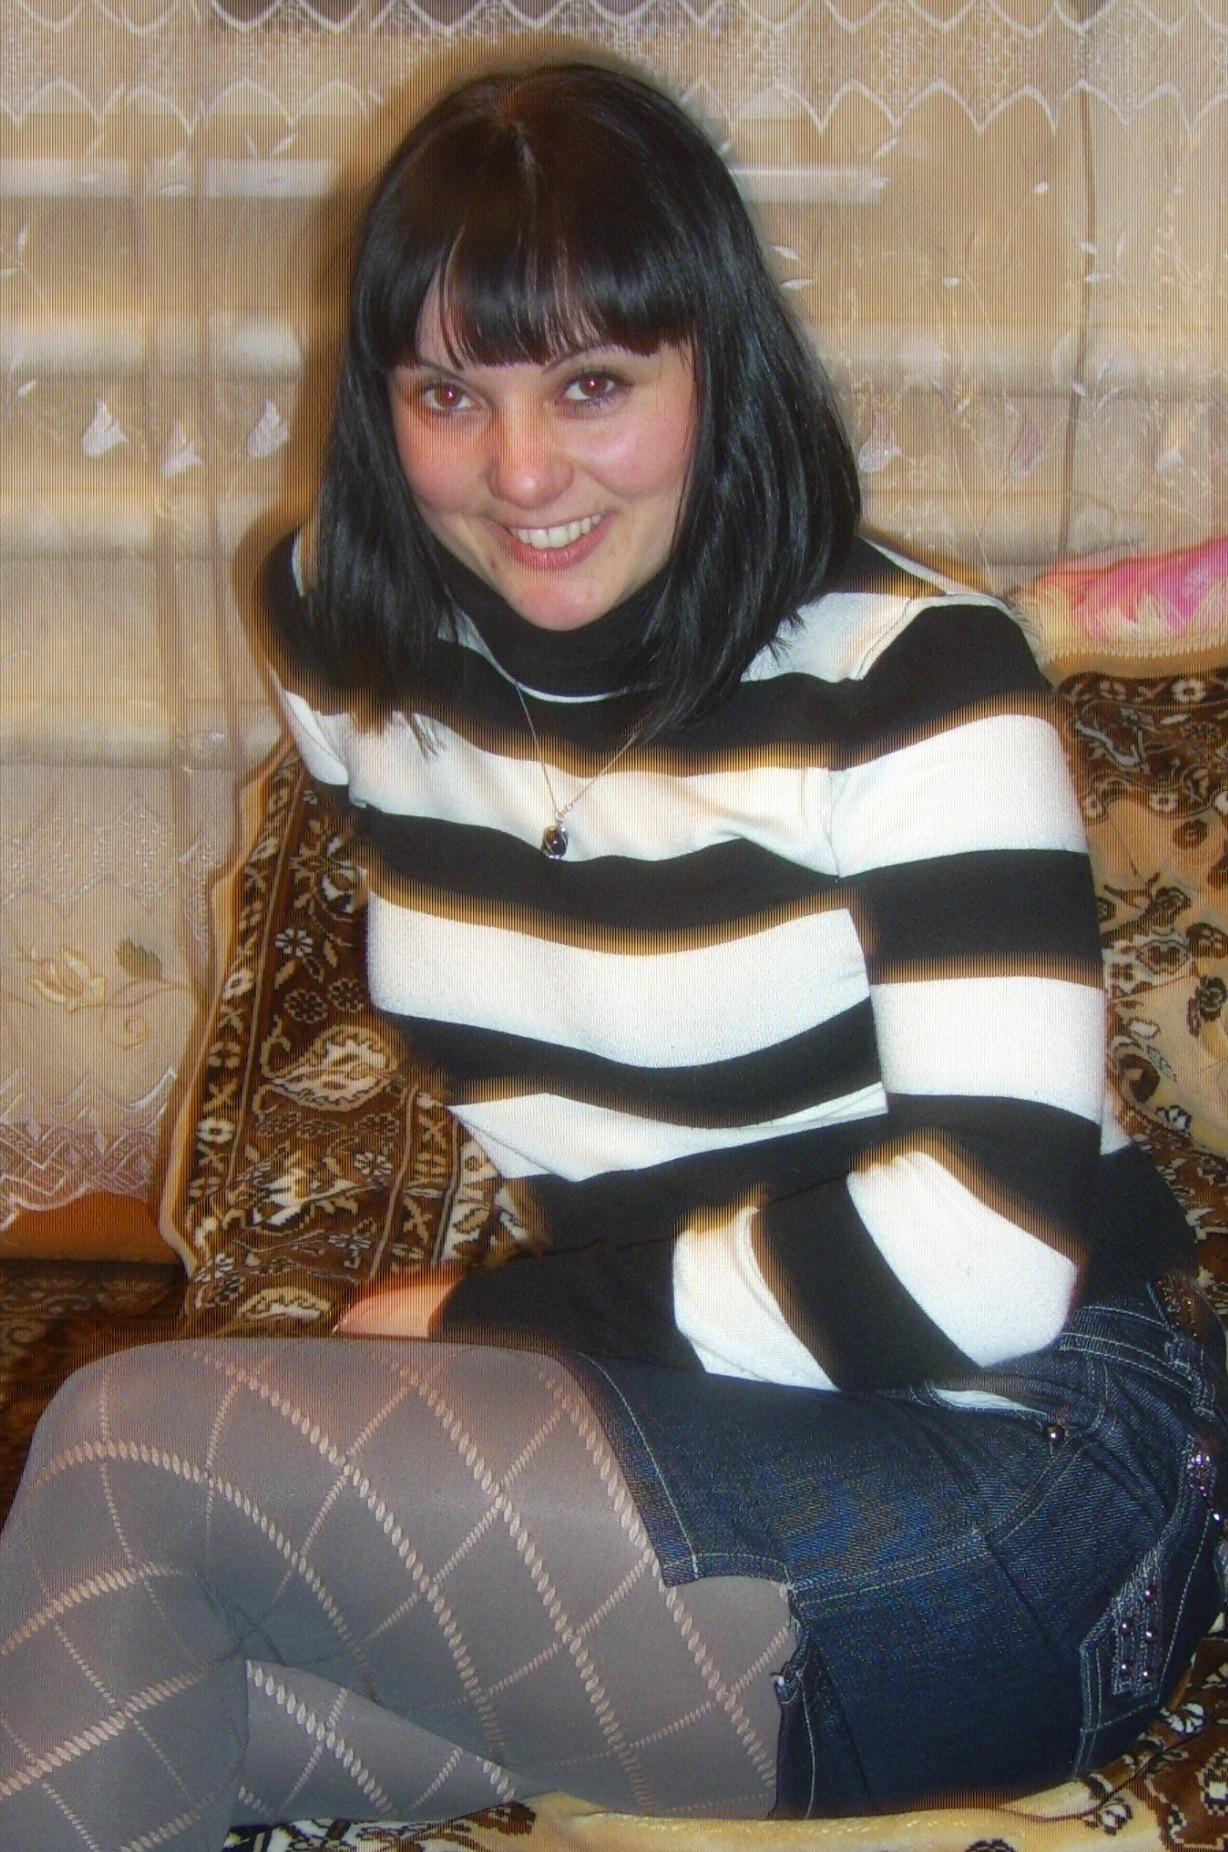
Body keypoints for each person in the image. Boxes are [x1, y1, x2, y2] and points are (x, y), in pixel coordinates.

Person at [1, 59, 1226, 1849]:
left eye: (593, 385)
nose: (521, 474)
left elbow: (991, 1260)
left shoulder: (912, 682)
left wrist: (487, 1320)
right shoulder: (342, 634)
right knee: (118, 1684)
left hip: (1029, 1481)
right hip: (671, 1449)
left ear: (715, 367)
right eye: (450, 394)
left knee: (129, 1451)